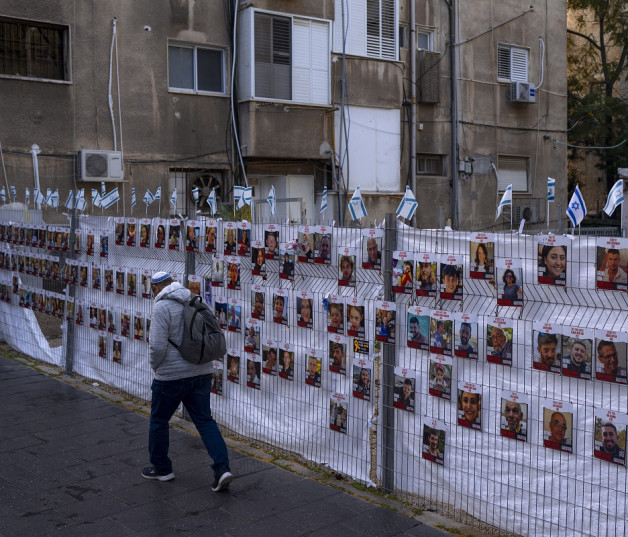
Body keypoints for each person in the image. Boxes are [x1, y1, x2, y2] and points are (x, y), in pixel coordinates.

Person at [144, 271, 233, 490]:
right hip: (201, 372)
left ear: (157, 288)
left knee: (159, 420)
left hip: (171, 376)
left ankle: (162, 468)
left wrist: (156, 368)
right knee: (204, 421)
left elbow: (156, 346)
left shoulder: (161, 307)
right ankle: (222, 469)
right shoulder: (195, 300)